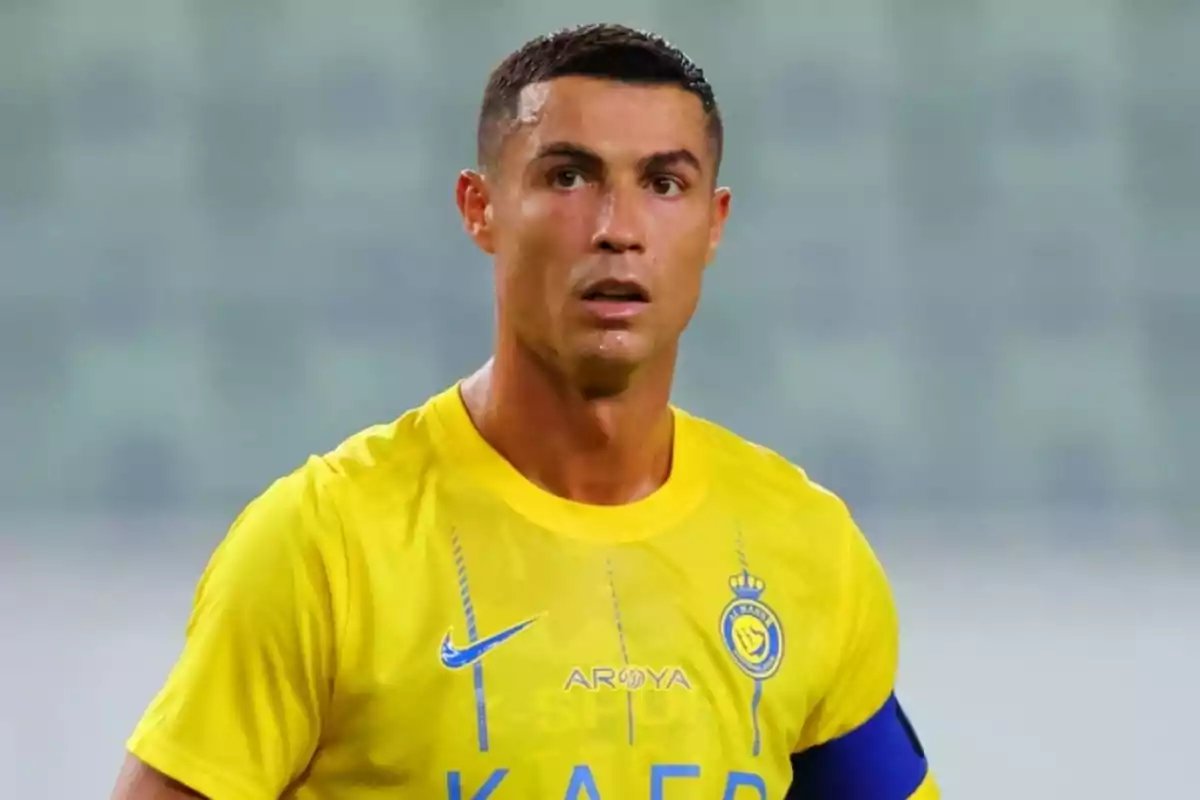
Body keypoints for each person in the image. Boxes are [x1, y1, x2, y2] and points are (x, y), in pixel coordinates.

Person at [112, 23, 938, 800]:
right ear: (482, 209)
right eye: (568, 176)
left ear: (712, 223)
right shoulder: (325, 542)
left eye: (663, 183)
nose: (617, 229)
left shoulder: (805, 546)